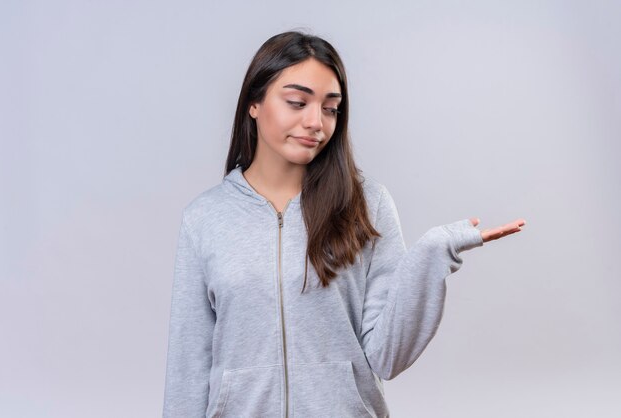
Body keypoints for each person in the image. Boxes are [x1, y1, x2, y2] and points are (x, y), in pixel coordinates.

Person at [162, 30, 526, 418]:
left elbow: (386, 356)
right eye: (297, 102)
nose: (316, 122)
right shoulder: (205, 217)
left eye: (331, 108)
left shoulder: (366, 205)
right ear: (254, 102)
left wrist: (434, 253)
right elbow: (188, 363)